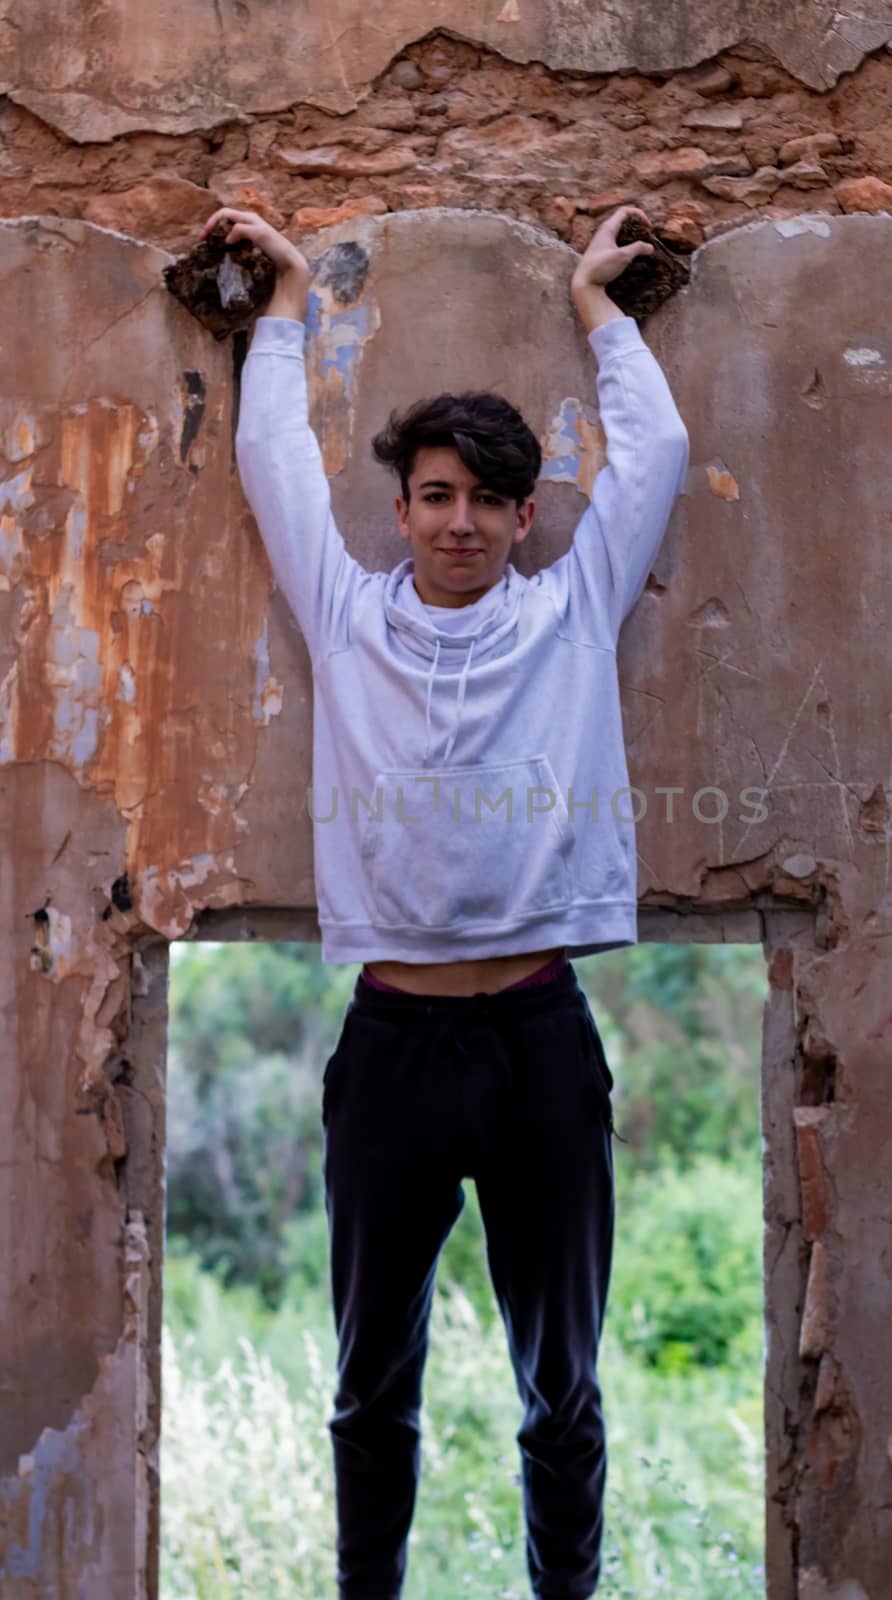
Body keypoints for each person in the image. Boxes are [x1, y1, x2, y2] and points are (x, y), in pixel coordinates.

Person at [205, 199, 689, 1599]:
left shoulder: (572, 606)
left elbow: (653, 451)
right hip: (393, 1053)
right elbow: (270, 461)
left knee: (564, 1390)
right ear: (404, 507)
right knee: (371, 1388)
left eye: (486, 499)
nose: (460, 521)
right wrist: (284, 301)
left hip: (541, 1045)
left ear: (522, 515)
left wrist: (600, 309)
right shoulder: (349, 614)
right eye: (435, 495)